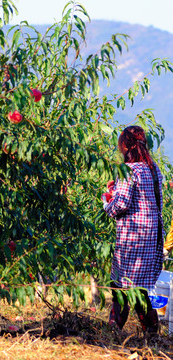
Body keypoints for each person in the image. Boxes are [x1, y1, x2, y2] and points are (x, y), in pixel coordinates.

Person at [102, 125, 164, 335]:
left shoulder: (129, 170)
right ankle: (153, 335)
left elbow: (120, 205)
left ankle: (113, 332)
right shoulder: (154, 169)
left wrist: (106, 199)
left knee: (120, 287)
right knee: (140, 290)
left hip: (132, 240)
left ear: (125, 146)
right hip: (151, 240)